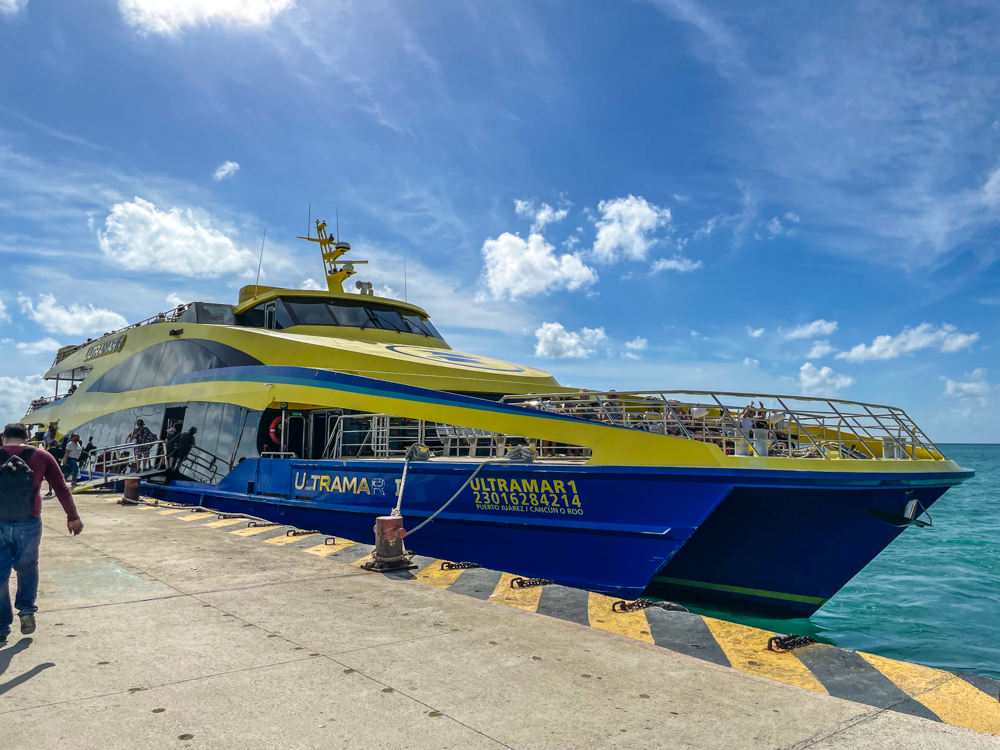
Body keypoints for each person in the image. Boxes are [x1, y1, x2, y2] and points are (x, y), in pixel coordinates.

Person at [0, 422, 83, 644]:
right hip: (29, 523)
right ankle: (26, 610)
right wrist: (72, 516)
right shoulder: (42, 456)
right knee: (27, 568)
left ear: (3, 438)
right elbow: (61, 487)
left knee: (0, 575)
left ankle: (1, 627)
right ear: (27, 438)